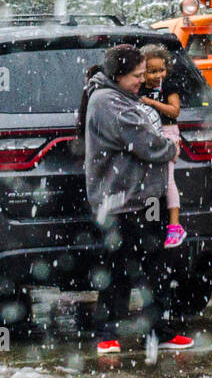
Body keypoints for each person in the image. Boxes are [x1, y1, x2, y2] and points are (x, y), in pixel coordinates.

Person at [83, 44, 194, 354]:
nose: (142, 81)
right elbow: (144, 142)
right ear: (118, 75)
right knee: (118, 269)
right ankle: (107, 333)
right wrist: (170, 148)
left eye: (144, 74)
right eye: (137, 75)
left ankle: (158, 330)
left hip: (148, 199)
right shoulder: (107, 101)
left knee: (157, 268)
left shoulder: (124, 98)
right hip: (120, 201)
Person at [138, 43, 184, 247]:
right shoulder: (138, 88)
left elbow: (175, 111)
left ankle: (175, 225)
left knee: (168, 179)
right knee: (150, 181)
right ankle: (152, 220)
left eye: (161, 70)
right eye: (152, 71)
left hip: (167, 134)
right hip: (148, 137)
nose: (158, 75)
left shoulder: (168, 87)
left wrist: (152, 103)